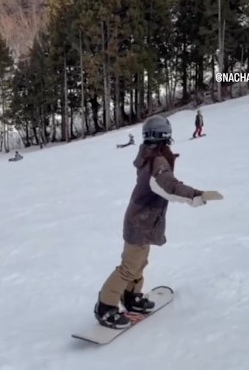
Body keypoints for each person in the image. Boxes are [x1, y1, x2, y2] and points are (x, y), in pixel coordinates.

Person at [94, 115, 221, 329]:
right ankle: (105, 307)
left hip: (142, 218)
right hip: (140, 220)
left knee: (139, 262)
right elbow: (169, 187)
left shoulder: (149, 154)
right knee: (129, 266)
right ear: (165, 135)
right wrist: (196, 195)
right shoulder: (157, 160)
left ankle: (131, 296)